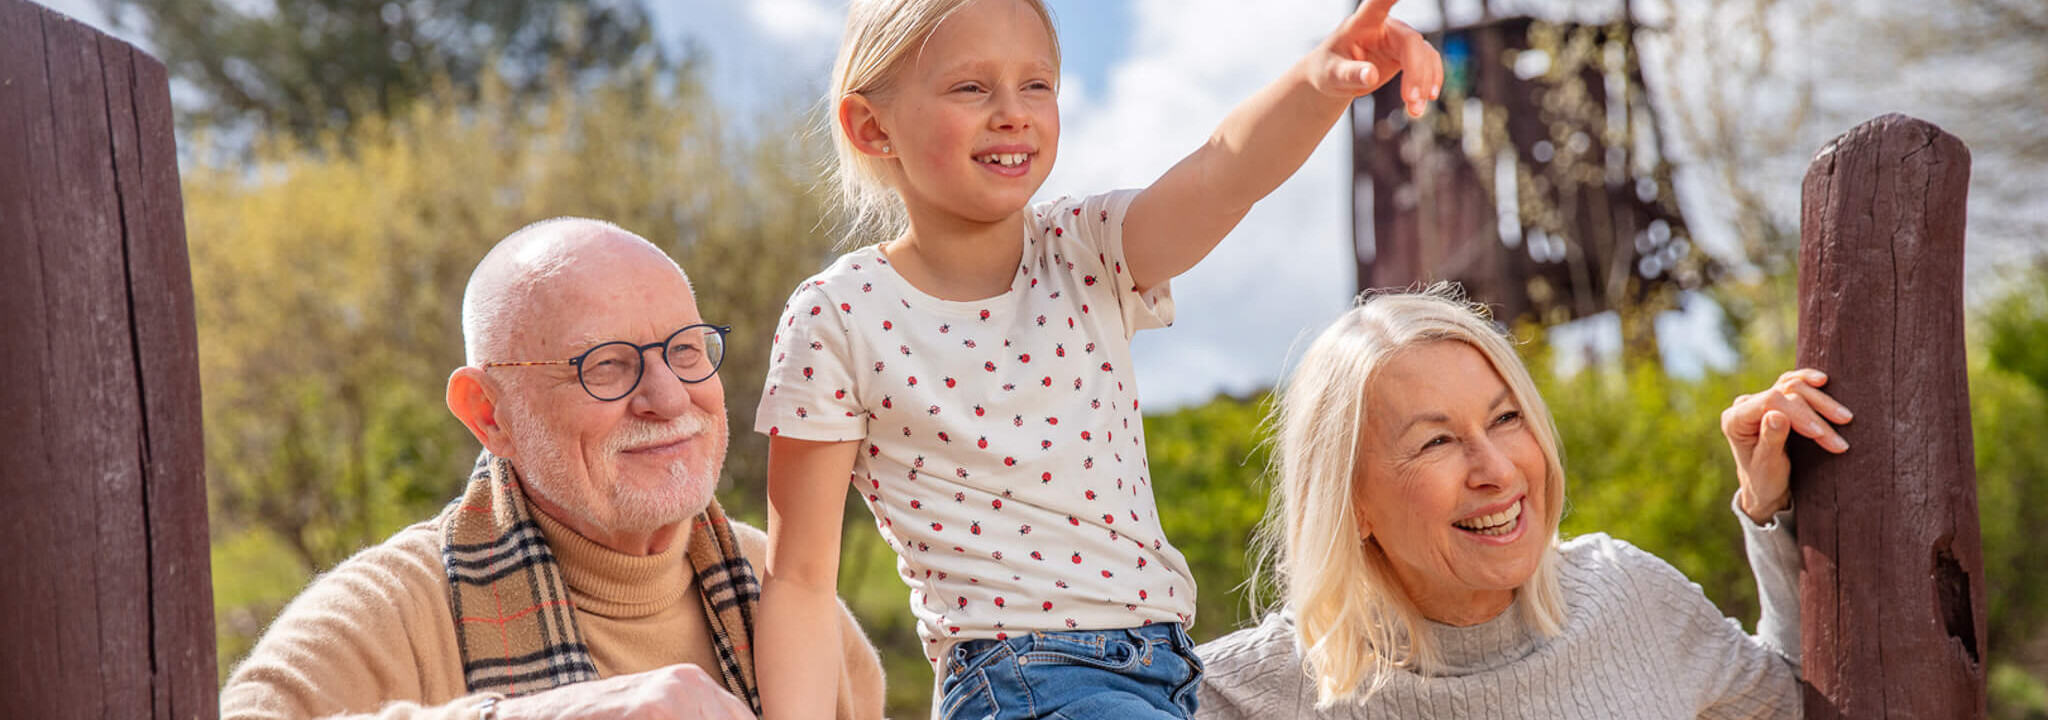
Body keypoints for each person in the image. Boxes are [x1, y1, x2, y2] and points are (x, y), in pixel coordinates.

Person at [751, 0, 1444, 718]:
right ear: (872, 126)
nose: (1013, 113)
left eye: (1037, 85)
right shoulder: (841, 315)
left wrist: (1318, 81)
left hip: (1164, 670)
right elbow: (799, 578)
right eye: (971, 87)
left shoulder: (1087, 250)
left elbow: (1223, 174)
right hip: (1019, 682)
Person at [219, 218, 886, 720]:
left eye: (686, 351)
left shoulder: (788, 593)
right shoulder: (390, 610)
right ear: (489, 414)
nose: (669, 398)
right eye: (606, 366)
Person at [1194, 286, 1852, 718]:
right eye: (1436, 442)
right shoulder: (1262, 689)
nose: (1497, 469)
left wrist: (1769, 503)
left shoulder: (1627, 595)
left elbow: (1801, 703)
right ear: (1351, 503)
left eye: (1506, 418)